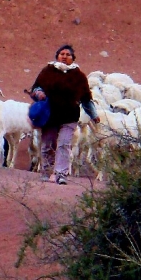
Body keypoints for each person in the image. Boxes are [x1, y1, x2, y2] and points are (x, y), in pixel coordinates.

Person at [29, 44, 99, 184]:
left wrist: (93, 114)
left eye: (68, 54)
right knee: (48, 144)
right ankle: (46, 171)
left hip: (70, 115)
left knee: (64, 144)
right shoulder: (47, 71)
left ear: (73, 58)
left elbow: (86, 97)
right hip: (50, 115)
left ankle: (61, 174)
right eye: (62, 54)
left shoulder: (78, 76)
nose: (64, 56)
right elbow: (36, 87)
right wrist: (39, 93)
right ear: (57, 56)